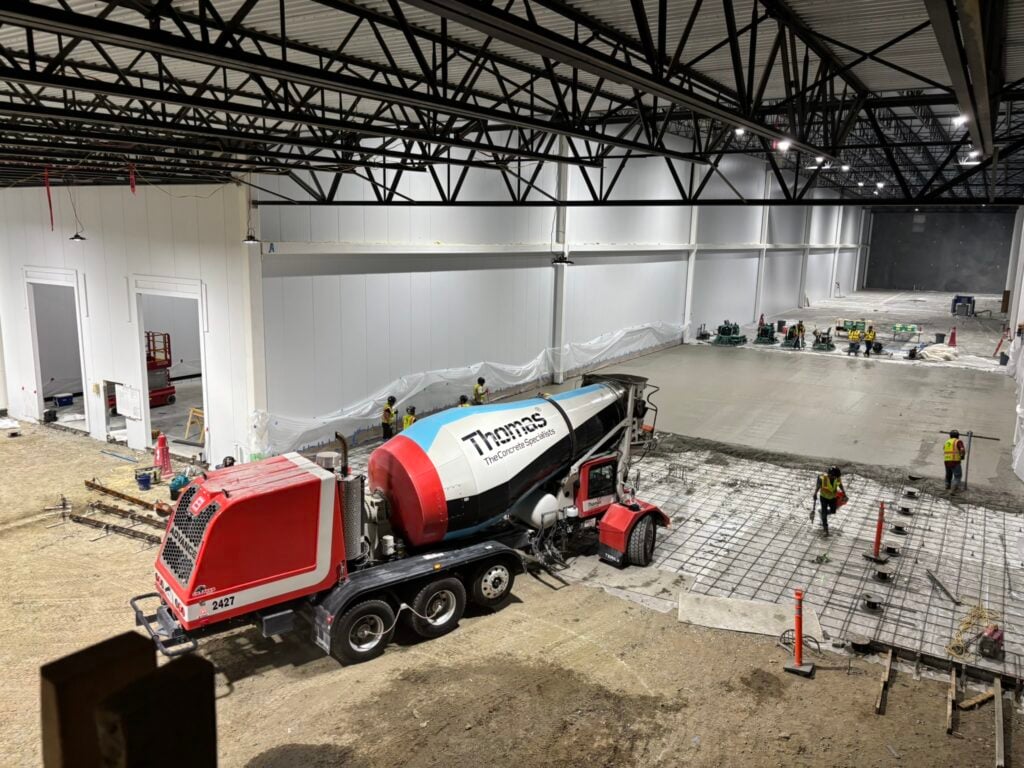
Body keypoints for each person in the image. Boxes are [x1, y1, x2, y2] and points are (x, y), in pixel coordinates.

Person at [811, 466, 845, 536]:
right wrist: (815, 493)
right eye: (835, 476)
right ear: (830, 475)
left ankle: (822, 512)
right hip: (824, 498)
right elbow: (818, 486)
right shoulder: (823, 479)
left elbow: (840, 484)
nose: (836, 478)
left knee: (833, 511)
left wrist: (844, 492)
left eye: (836, 477)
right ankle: (825, 530)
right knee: (824, 514)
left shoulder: (837, 478)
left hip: (833, 497)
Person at [944, 429, 967, 493]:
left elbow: (944, 449)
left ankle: (947, 486)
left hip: (946, 460)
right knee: (957, 476)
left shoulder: (947, 441)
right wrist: (963, 456)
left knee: (948, 474)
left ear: (950, 436)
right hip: (955, 461)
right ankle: (953, 490)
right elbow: (962, 449)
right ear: (958, 436)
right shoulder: (958, 441)